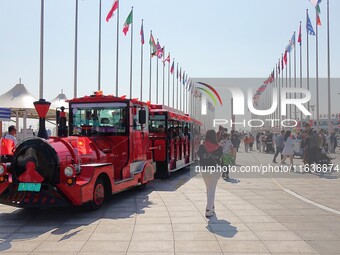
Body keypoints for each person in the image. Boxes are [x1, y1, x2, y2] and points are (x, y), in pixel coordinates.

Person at [197, 130, 223, 217]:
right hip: (215, 169)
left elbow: (199, 155)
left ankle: (212, 207)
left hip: (205, 170)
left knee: (209, 189)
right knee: (212, 189)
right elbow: (220, 157)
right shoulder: (219, 147)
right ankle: (209, 209)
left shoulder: (202, 146)